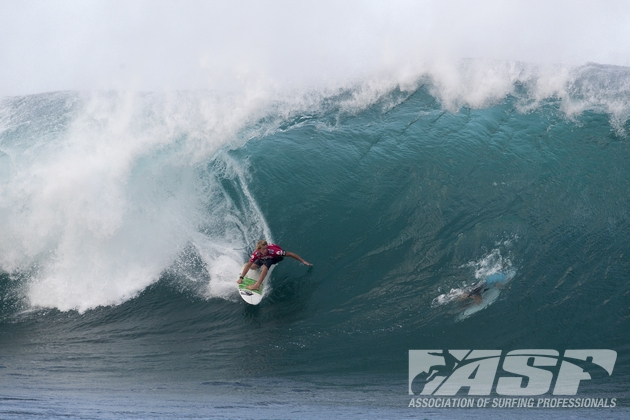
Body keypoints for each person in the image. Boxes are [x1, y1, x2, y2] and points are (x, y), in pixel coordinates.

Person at [237, 240, 312, 290]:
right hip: (264, 258)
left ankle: (257, 285)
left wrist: (303, 261)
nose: (265, 250)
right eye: (263, 249)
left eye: (266, 248)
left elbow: (290, 254)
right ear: (259, 250)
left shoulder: (275, 252)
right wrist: (241, 278)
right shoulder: (256, 254)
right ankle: (260, 271)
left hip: (276, 258)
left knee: (265, 265)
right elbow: (247, 266)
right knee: (252, 266)